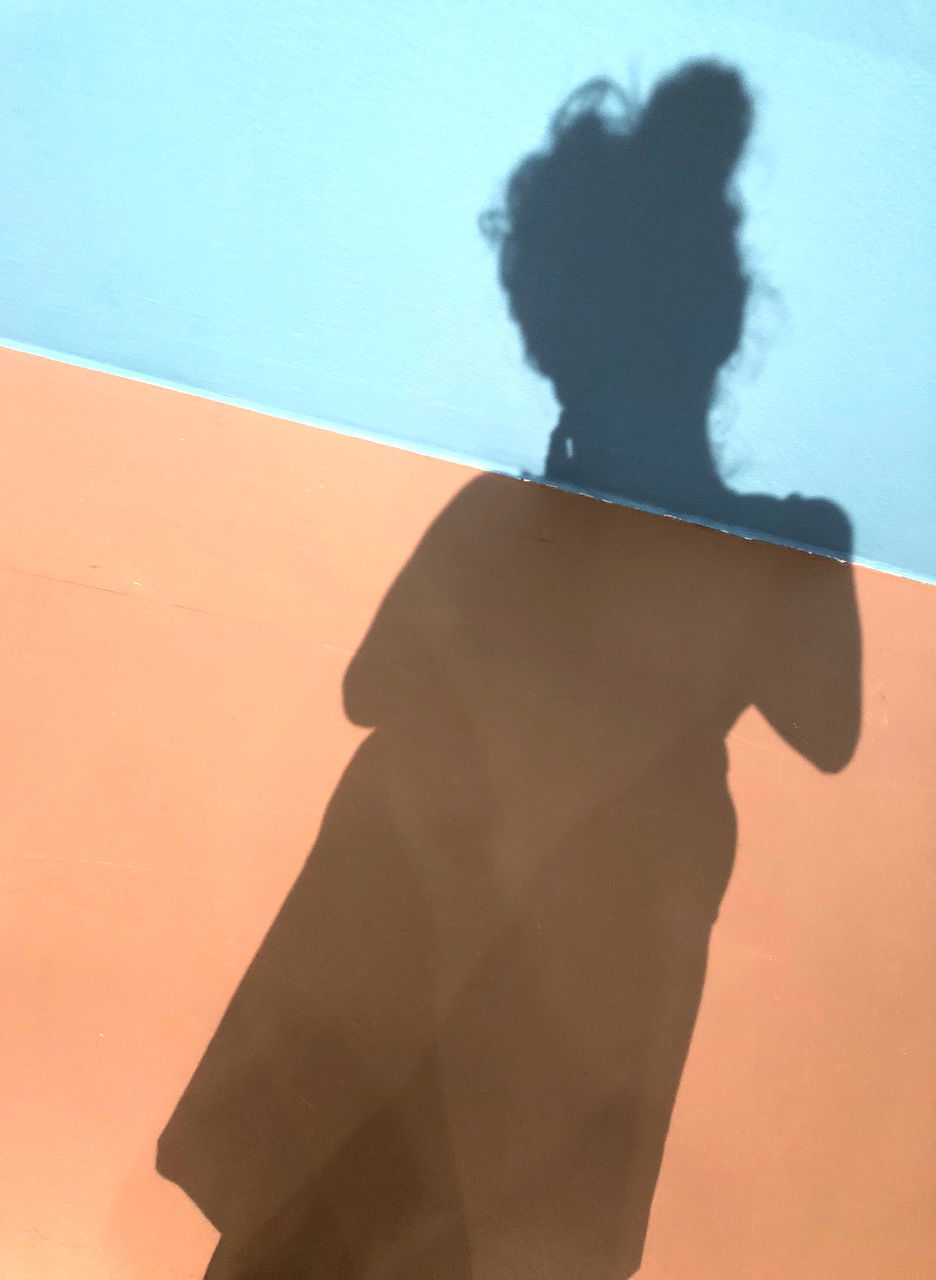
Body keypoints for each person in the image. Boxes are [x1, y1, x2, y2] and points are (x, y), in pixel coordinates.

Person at [158, 60, 861, 1279]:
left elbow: (827, 719)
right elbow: (376, 692)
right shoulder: (741, 544)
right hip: (407, 1061)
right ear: (723, 321)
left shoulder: (748, 544)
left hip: (484, 1072)